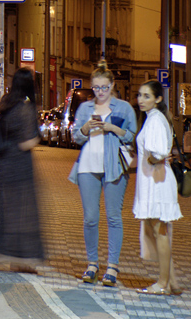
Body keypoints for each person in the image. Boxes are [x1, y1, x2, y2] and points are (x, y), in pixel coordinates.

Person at [69, 61, 138, 287]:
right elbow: (75, 137)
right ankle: (92, 265)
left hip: (114, 166)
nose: (100, 92)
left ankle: (112, 267)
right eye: (96, 88)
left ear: (112, 85)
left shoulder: (124, 108)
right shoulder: (85, 109)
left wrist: (115, 129)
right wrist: (84, 129)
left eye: (104, 87)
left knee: (113, 217)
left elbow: (132, 136)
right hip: (88, 166)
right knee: (90, 217)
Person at [0, 67, 44, 270]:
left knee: (5, 208)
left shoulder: (5, 103)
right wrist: (38, 138)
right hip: (20, 163)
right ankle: (24, 256)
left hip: (3, 162)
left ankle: (2, 251)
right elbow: (27, 141)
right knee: (24, 211)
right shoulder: (26, 107)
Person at [132, 80, 183, 295]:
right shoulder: (156, 118)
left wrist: (153, 159)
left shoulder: (154, 120)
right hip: (156, 180)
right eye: (140, 95)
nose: (141, 100)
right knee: (157, 230)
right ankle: (171, 281)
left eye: (146, 96)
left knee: (159, 231)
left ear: (158, 99)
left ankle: (162, 284)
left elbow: (159, 152)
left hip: (157, 182)